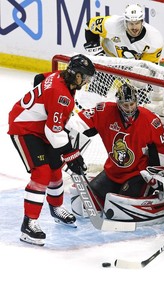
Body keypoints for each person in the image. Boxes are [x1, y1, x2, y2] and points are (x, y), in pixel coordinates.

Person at [8, 54, 96, 246]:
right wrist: (71, 155)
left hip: (42, 127)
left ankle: (56, 208)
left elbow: (40, 78)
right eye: (85, 76)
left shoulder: (60, 76)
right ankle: (28, 224)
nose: (87, 81)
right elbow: (53, 130)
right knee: (42, 173)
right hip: (24, 128)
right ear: (76, 75)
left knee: (55, 169)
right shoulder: (61, 95)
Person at [66, 81, 164, 223]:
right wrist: (63, 142)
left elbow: (163, 151)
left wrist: (162, 175)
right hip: (113, 172)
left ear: (137, 102)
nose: (129, 109)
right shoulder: (104, 111)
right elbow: (77, 123)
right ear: (118, 104)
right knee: (89, 200)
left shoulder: (150, 121)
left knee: (120, 205)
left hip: (137, 174)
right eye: (125, 105)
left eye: (132, 104)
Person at [83, 3, 164, 133]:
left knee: (140, 87)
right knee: (93, 96)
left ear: (142, 21)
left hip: (133, 67)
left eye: (137, 23)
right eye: (130, 23)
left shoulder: (154, 39)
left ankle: (158, 118)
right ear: (125, 22)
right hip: (110, 61)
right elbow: (89, 26)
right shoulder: (112, 24)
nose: (134, 27)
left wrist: (134, 76)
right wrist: (94, 48)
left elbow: (148, 66)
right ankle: (91, 124)